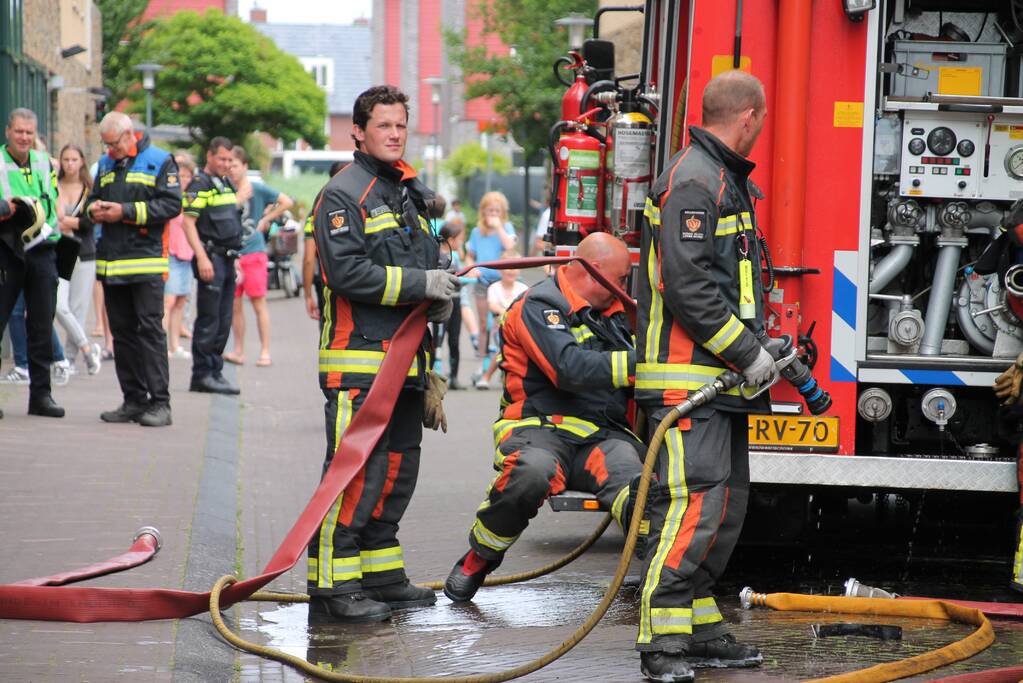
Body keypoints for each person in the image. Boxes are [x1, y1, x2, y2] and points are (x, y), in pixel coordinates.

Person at [633, 70, 773, 681]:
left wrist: (757, 348)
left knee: (725, 506)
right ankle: (660, 642)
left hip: (718, 380)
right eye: (761, 120)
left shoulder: (719, 179)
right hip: (691, 379)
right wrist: (748, 352)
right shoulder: (694, 181)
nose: (761, 129)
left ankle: (698, 626)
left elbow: (727, 282)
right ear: (747, 117)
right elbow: (689, 288)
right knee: (693, 509)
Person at [308, 84, 460, 623]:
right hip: (360, 365)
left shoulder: (409, 193)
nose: (395, 135)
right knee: (355, 475)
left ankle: (380, 574)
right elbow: (346, 273)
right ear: (358, 131)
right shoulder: (343, 194)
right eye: (384, 126)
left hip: (407, 365)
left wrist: (441, 294)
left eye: (401, 125)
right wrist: (423, 283)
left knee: (398, 471)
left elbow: (429, 259)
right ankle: (331, 586)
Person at [444, 232, 642, 601]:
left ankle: (665, 581)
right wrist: (639, 363)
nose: (623, 289)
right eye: (621, 280)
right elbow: (568, 369)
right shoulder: (538, 306)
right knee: (530, 474)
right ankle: (479, 558)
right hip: (538, 429)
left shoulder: (615, 316)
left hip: (601, 437)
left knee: (642, 492)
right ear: (594, 271)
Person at [87, 112, 181, 427]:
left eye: (113, 144)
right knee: (123, 335)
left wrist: (124, 212)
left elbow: (171, 205)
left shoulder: (159, 161)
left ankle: (160, 404)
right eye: (106, 145)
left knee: (150, 332)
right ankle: (133, 401)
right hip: (112, 265)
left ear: (130, 135)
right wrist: (93, 210)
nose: (109, 150)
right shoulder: (104, 164)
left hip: (145, 263)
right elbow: (93, 199)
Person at [0, 108, 64, 419]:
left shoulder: (44, 162)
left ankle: (41, 396)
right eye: (19, 131)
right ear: (7, 132)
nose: (24, 137)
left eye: (29, 132)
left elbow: (53, 200)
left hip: (41, 249)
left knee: (41, 323)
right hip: (5, 248)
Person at [181, 136, 244, 395]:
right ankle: (202, 374)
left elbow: (231, 223)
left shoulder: (225, 183)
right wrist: (202, 257)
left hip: (227, 259)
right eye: (222, 158)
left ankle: (215, 371)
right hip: (211, 257)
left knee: (224, 319)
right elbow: (188, 223)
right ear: (209, 156)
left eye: (230, 159)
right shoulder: (200, 185)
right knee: (209, 319)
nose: (226, 164)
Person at [223, 146, 293, 367]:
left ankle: (265, 351)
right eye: (228, 165)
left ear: (244, 166)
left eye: (234, 165)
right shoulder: (225, 190)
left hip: (254, 253)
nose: (230, 169)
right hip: (232, 255)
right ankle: (239, 351)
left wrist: (267, 218)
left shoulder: (258, 189)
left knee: (258, 303)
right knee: (234, 305)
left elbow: (287, 201)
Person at [55, 144, 102, 375]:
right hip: (59, 251)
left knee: (78, 307)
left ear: (82, 161)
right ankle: (86, 349)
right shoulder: (54, 186)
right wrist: (69, 222)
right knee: (59, 305)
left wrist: (66, 222)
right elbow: (51, 218)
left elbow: (89, 222)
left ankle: (70, 358)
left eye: (74, 159)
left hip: (84, 252)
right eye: (66, 159)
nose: (70, 164)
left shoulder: (89, 189)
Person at [465, 191, 517, 360]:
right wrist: (471, 268)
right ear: (483, 212)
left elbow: (510, 246)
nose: (493, 214)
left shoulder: (506, 228)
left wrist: (499, 227)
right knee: (483, 321)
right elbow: (470, 255)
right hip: (482, 279)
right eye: (490, 211)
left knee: (502, 319)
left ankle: (501, 352)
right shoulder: (476, 231)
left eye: (497, 211)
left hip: (502, 281)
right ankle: (482, 354)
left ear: (503, 213)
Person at [472, 248, 527, 390]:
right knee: (502, 349)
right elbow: (493, 306)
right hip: (500, 328)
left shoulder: (523, 289)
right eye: (507, 267)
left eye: (515, 267)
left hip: (519, 328)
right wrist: (509, 313)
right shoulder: (494, 288)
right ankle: (486, 377)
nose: (511, 270)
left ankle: (508, 377)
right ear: (500, 269)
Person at [303, 160, 347, 324]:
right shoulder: (364, 206)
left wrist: (307, 295)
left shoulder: (317, 210)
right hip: (360, 281)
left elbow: (309, 259)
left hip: (327, 282)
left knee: (329, 328)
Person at [164, 152, 197, 359]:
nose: (184, 180)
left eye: (187, 176)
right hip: (171, 254)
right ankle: (161, 347)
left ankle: (174, 346)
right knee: (167, 303)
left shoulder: (192, 199)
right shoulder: (170, 197)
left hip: (188, 255)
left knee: (180, 303)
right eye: (180, 176)